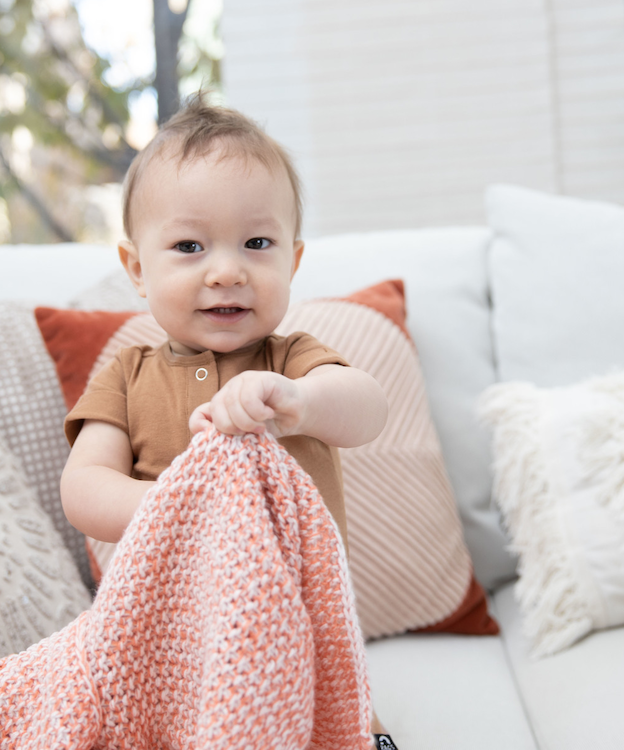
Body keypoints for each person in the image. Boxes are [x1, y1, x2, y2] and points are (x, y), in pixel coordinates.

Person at [60, 95, 397, 747]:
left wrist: (300, 402)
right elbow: (84, 488)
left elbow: (368, 409)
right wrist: (189, 503)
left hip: (296, 626)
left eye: (257, 243)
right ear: (136, 268)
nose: (226, 270)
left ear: (292, 262)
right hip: (165, 634)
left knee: (332, 723)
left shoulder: (291, 362)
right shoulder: (126, 375)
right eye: (189, 245)